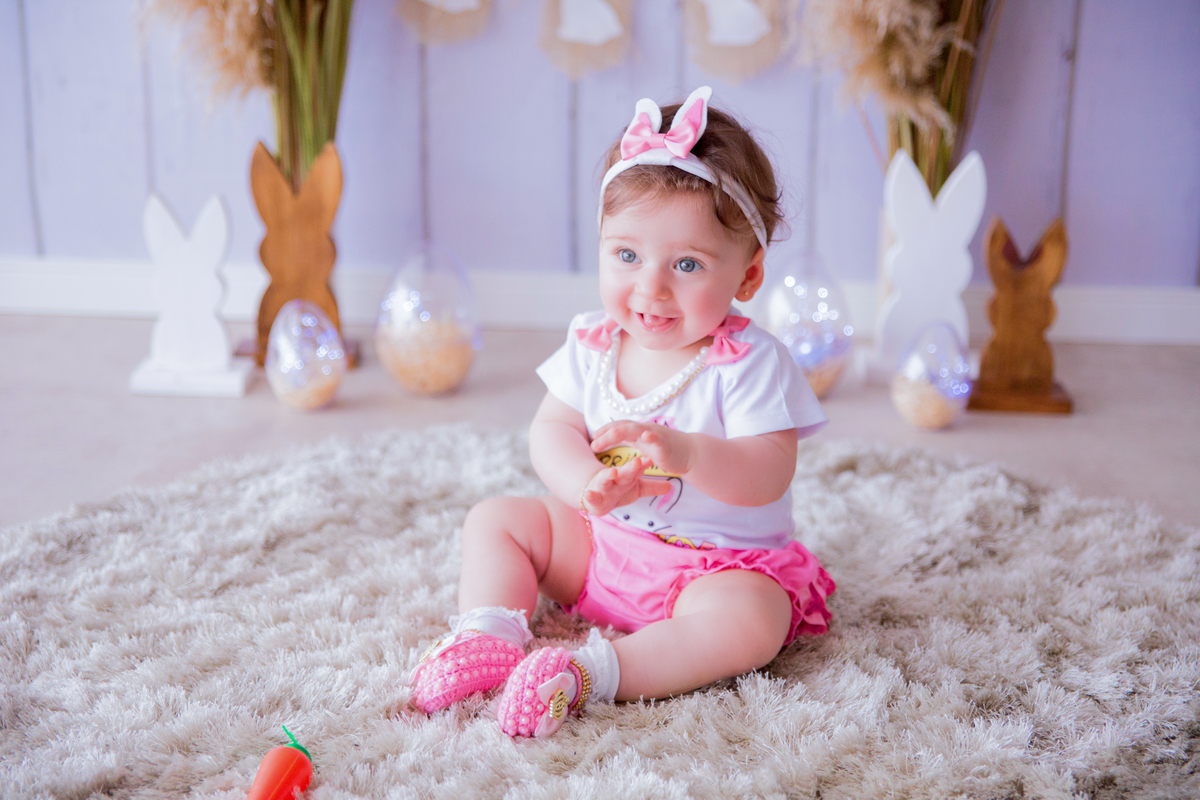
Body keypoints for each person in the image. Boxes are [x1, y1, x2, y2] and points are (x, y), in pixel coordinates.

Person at [408, 87, 835, 738]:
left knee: (754, 622)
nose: (650, 287)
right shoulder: (595, 342)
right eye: (627, 255)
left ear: (748, 277)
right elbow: (552, 429)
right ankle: (488, 634)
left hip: (713, 568)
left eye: (686, 264)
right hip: (602, 546)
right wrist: (586, 484)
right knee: (497, 520)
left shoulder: (748, 363)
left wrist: (690, 454)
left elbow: (769, 470)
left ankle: (587, 674)